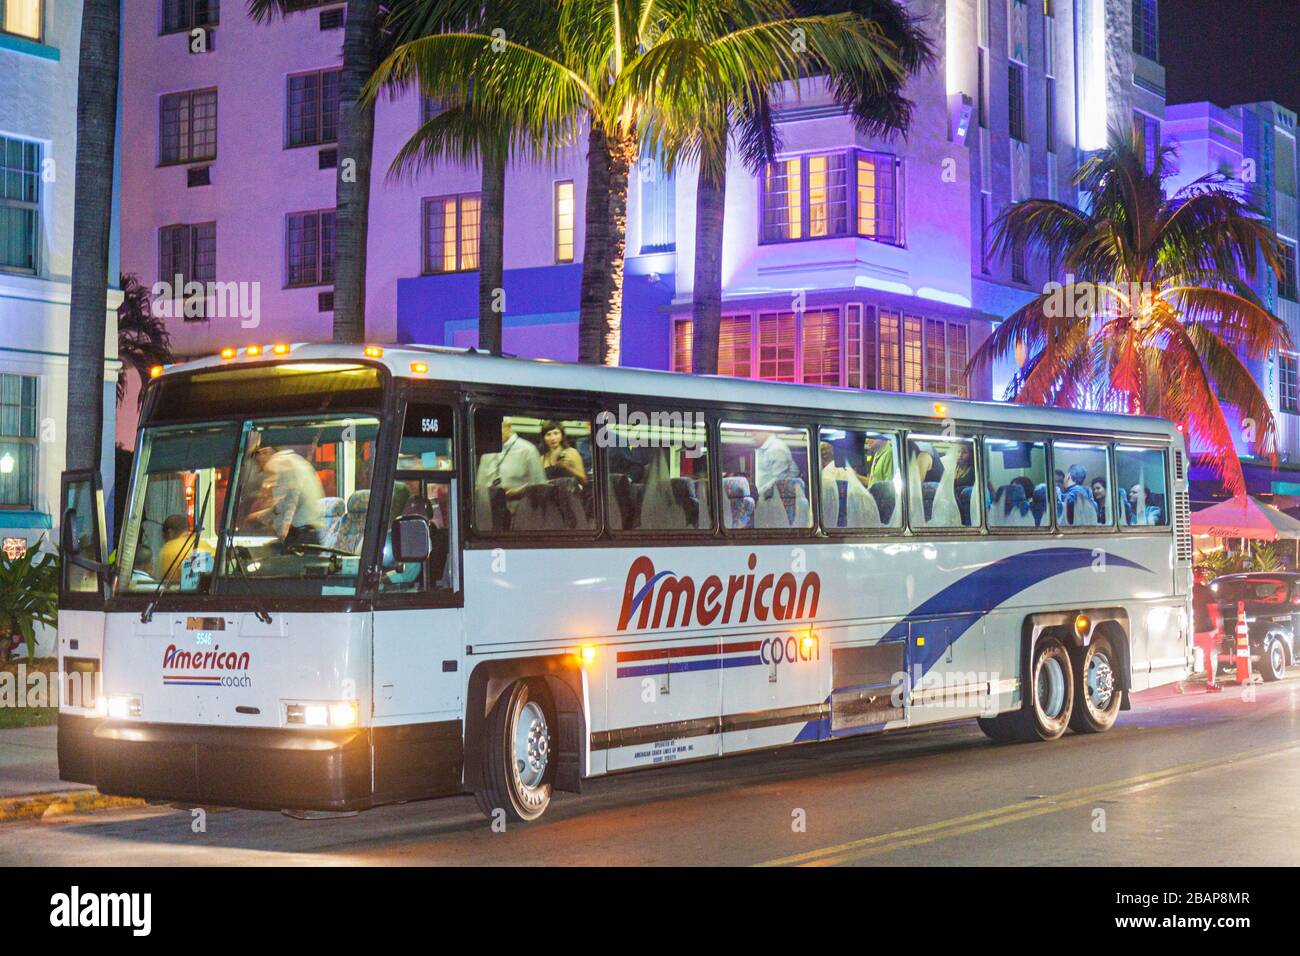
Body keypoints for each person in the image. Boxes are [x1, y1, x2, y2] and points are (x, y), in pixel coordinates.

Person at [246, 443, 326, 547]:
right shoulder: (295, 461)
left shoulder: (278, 463)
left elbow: (287, 503)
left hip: (300, 536)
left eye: (257, 462)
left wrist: (282, 533)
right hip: (309, 533)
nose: (259, 468)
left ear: (264, 452)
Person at [1192, 565, 1223, 692]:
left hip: (1191, 630)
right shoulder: (1206, 591)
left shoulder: (1188, 590)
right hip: (1206, 630)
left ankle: (1179, 684)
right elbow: (1213, 611)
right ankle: (1211, 684)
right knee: (1210, 658)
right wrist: (1218, 629)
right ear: (1202, 575)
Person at [157, 514, 213, 584]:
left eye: (164, 536)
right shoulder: (205, 545)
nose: (164, 539)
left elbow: (163, 583)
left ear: (169, 532)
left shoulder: (167, 550)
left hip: (180, 593)